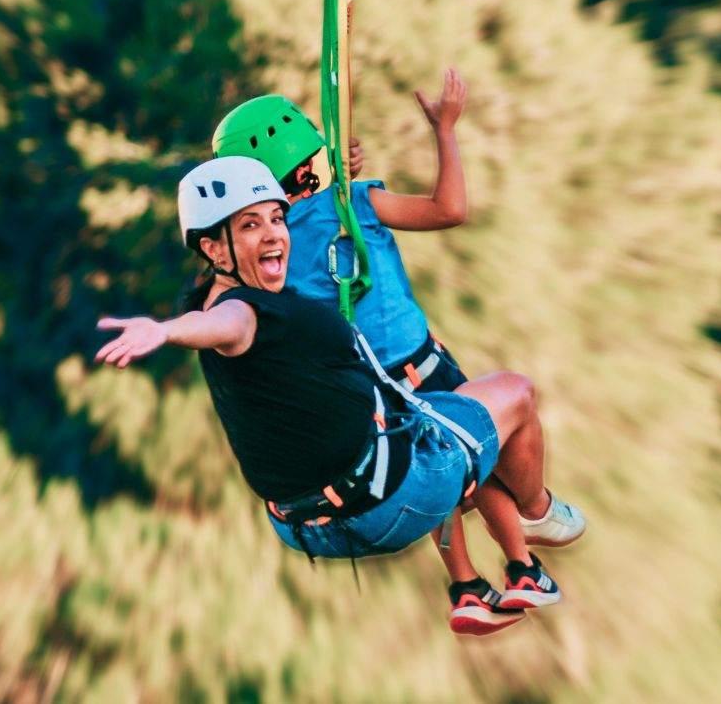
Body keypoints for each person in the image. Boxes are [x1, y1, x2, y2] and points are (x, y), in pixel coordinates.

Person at [96, 157, 572, 634]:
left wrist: (330, 167)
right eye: (249, 225)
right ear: (214, 249)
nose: (273, 234)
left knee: (417, 417)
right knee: (516, 394)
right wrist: (166, 332)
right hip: (391, 499)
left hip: (310, 526)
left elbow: (221, 315)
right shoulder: (240, 310)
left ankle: (469, 587)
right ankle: (534, 514)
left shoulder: (226, 294)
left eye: (276, 219)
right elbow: (223, 326)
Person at [208, 71, 584, 627]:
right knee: (476, 464)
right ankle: (525, 559)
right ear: (310, 162)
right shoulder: (355, 204)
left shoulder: (265, 254)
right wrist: (445, 131)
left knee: (432, 470)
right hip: (419, 363)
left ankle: (466, 587)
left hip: (366, 390)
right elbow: (449, 209)